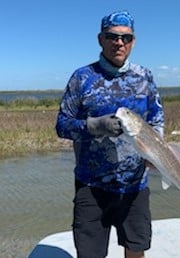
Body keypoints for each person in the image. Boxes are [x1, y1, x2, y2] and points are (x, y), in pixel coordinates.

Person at [56, 10, 164, 258]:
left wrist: (155, 150)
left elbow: (156, 117)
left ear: (133, 42)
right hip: (91, 186)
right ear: (100, 39)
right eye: (112, 36)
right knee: (90, 254)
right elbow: (62, 125)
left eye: (125, 38)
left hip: (135, 185)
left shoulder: (144, 76)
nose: (119, 42)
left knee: (136, 249)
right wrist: (94, 126)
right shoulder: (82, 78)